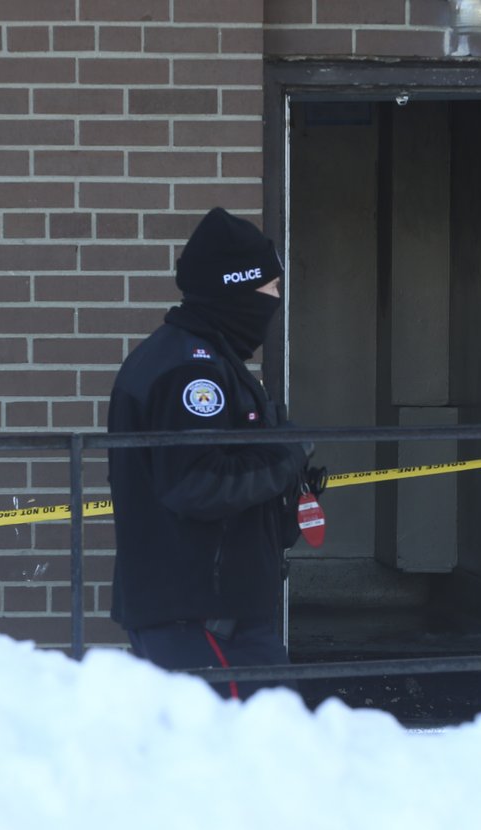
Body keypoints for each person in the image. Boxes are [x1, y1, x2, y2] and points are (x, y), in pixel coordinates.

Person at [107, 207, 320, 701]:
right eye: (270, 289)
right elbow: (196, 483)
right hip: (205, 620)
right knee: (249, 760)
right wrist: (285, 456)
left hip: (213, 613)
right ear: (237, 289)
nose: (276, 300)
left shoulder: (204, 359)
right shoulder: (190, 372)